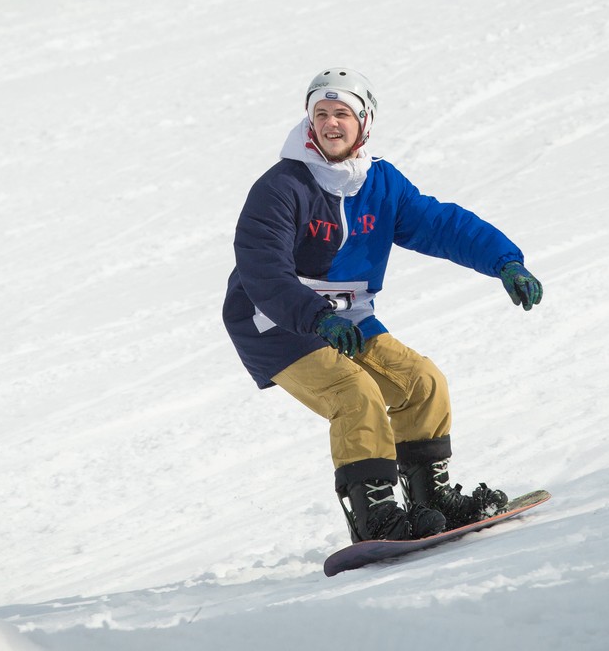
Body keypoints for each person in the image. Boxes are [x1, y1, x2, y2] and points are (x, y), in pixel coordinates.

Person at [222, 67, 543, 544]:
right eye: (321, 113)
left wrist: (505, 261)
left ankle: (430, 500)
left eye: (343, 114)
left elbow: (442, 225)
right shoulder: (282, 187)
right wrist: (316, 317)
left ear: (364, 122)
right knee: (354, 393)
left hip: (346, 317)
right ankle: (375, 516)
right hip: (276, 321)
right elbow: (262, 270)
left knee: (421, 382)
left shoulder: (381, 183)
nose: (331, 123)